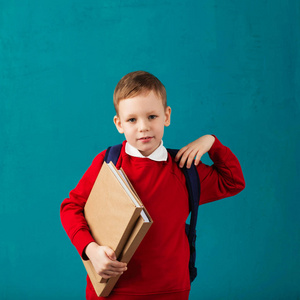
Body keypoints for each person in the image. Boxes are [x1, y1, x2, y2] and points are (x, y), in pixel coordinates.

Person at [60, 71, 245, 300]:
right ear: (119, 124)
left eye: (152, 117)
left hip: (171, 289)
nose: (143, 127)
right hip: (112, 289)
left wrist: (212, 142)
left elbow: (233, 182)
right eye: (132, 119)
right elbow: (71, 207)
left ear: (167, 116)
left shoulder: (184, 168)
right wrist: (90, 250)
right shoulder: (108, 161)